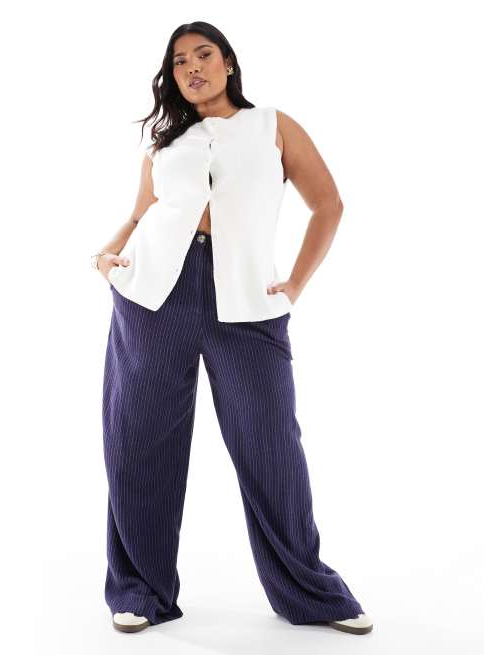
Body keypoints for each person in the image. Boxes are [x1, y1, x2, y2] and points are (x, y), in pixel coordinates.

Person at [91, 21, 373, 636]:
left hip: (246, 301)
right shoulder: (165, 142)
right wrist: (108, 258)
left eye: (203, 54)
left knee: (272, 445)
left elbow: (328, 204)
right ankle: (140, 590)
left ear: (228, 63)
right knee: (139, 441)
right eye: (179, 61)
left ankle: (311, 593)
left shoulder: (272, 126)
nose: (192, 67)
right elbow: (142, 212)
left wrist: (295, 284)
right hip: (153, 295)